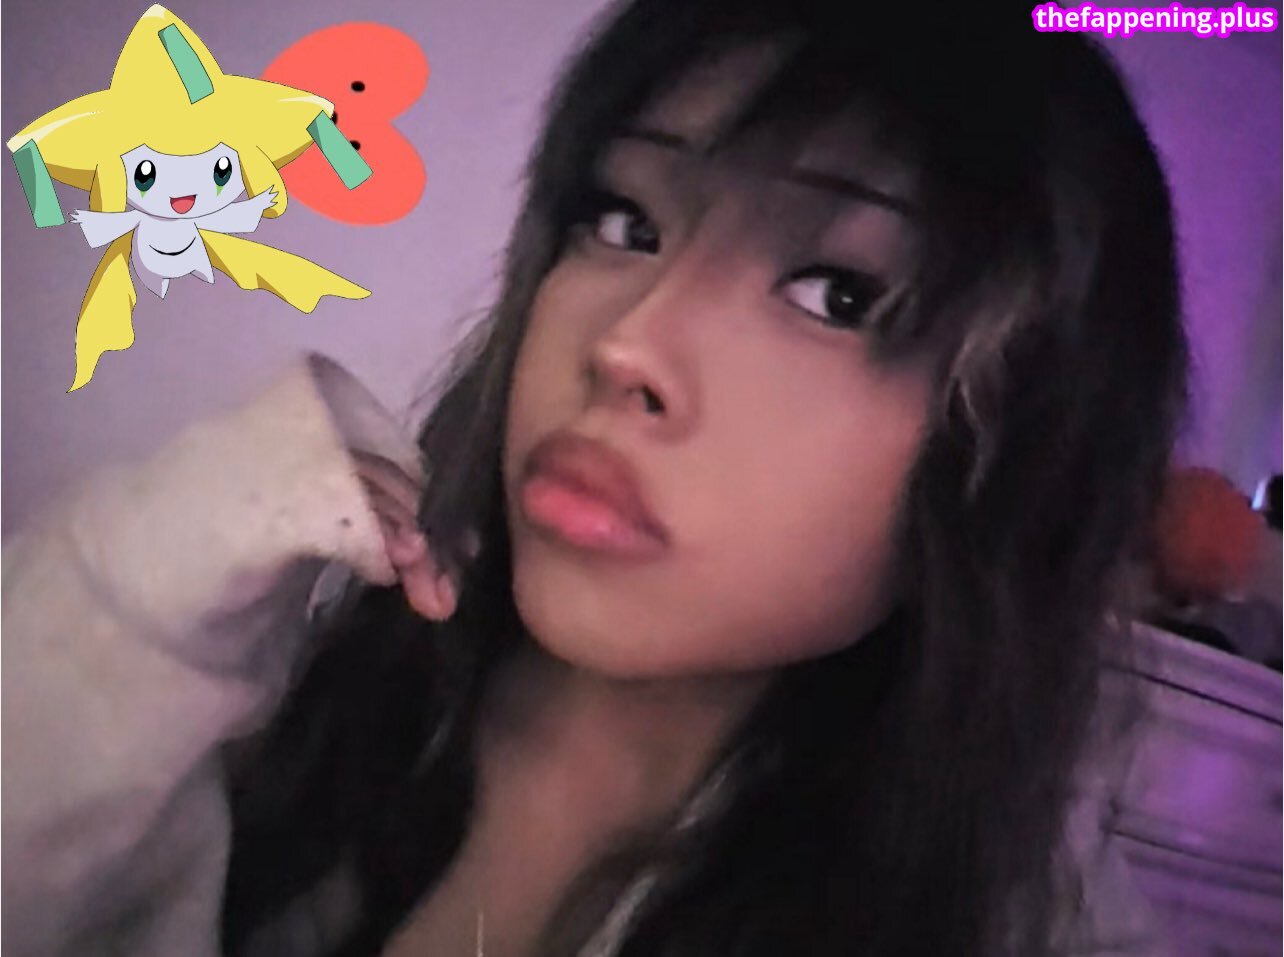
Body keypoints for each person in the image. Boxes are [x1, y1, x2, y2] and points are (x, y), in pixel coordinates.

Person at [2, 1, 1189, 955]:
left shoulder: (1006, 916)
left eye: (837, 295)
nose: (627, 344)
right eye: (622, 222)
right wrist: (127, 602)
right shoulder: (274, 689)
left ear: (1022, 456)